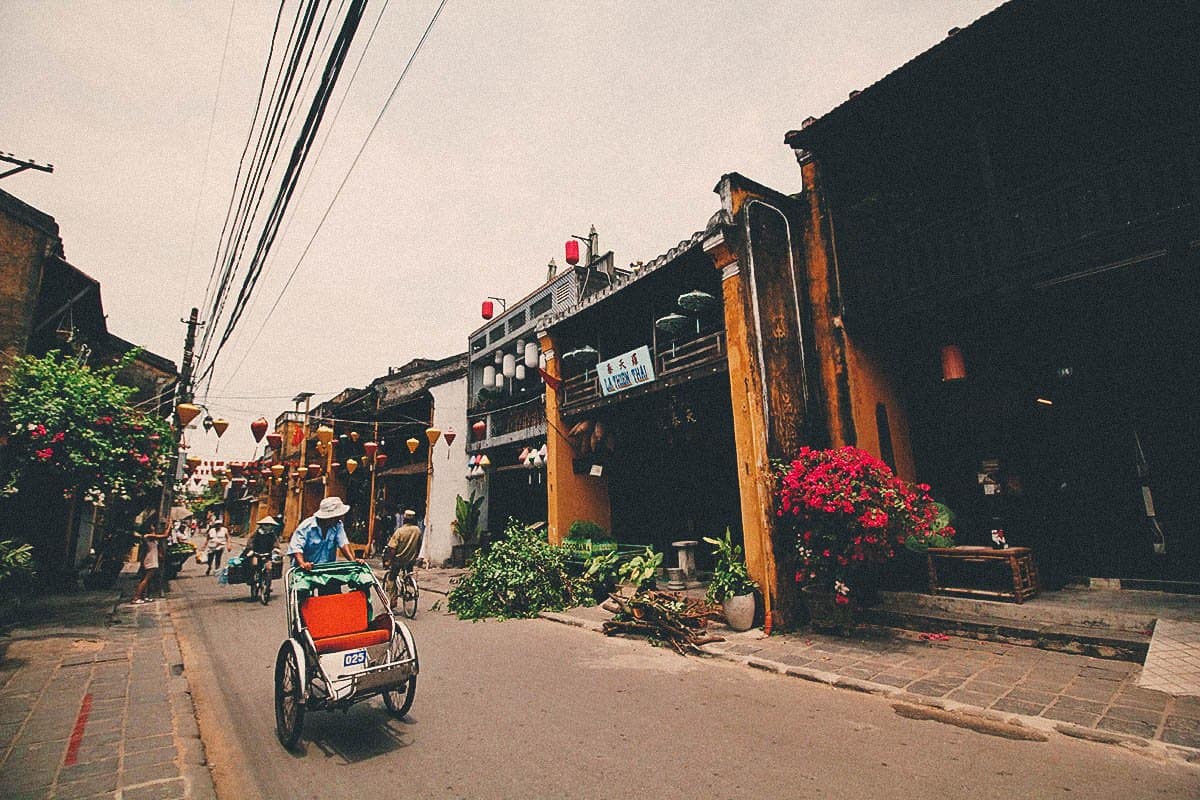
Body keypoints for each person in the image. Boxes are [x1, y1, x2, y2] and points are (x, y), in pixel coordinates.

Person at [287, 496, 361, 571]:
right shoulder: (306, 526)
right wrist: (302, 563)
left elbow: (343, 543)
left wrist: (353, 562)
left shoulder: (337, 525)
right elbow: (296, 548)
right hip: (305, 570)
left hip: (326, 570)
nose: (340, 518)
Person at [383, 509, 423, 603]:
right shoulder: (417, 530)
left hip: (399, 559)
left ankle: (393, 599)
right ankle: (409, 587)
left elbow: (392, 548)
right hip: (411, 559)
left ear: (404, 519)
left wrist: (390, 560)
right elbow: (419, 544)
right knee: (408, 574)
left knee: (392, 577)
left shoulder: (399, 531)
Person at [132, 523, 168, 604]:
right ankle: (136, 597)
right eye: (152, 526)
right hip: (150, 560)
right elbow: (165, 535)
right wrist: (169, 525)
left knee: (148, 580)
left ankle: (144, 596)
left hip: (153, 559)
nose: (153, 527)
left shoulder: (152, 537)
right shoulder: (147, 536)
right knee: (146, 579)